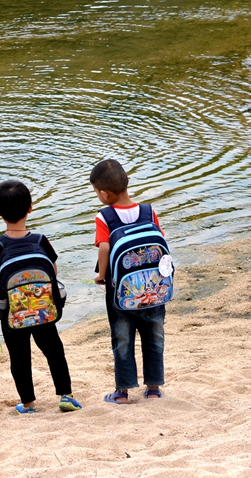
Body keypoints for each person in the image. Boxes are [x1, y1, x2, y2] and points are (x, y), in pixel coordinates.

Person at [0, 180, 82, 414]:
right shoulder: (40, 240)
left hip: (13, 314)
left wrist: (6, 286)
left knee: (19, 357)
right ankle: (66, 395)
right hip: (44, 310)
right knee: (54, 350)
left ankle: (28, 404)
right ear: (30, 208)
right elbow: (53, 271)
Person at [90, 159, 165, 404]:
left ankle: (122, 392)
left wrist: (101, 275)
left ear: (103, 193)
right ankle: (153, 387)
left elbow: (104, 247)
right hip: (154, 289)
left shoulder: (105, 215)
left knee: (122, 338)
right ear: (127, 182)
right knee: (153, 336)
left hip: (120, 291)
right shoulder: (148, 210)